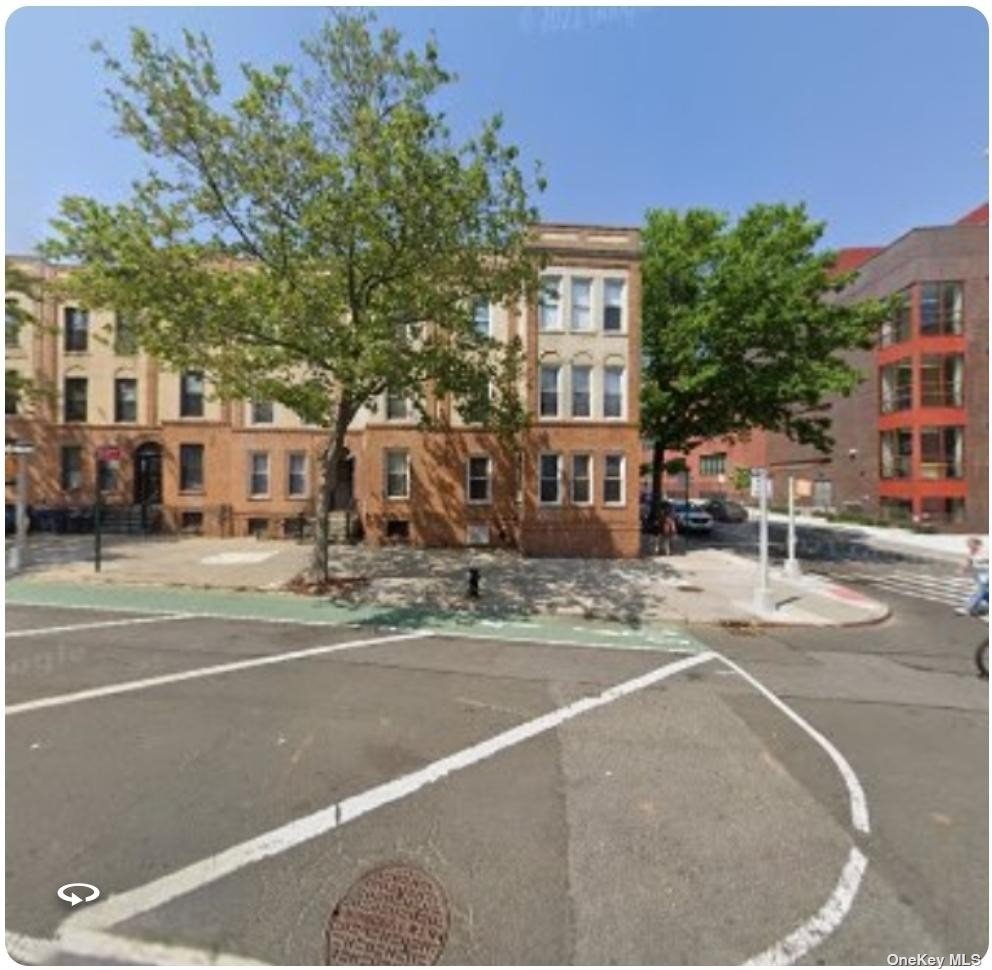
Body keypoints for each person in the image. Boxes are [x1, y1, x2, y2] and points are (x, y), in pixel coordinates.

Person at [957, 536, 989, 616]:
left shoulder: (985, 552)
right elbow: (967, 561)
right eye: (968, 545)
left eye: (969, 544)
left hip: (986, 575)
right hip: (980, 575)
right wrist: (962, 569)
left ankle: (967, 608)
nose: (968, 546)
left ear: (976, 544)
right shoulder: (972, 553)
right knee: (983, 592)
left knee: (980, 592)